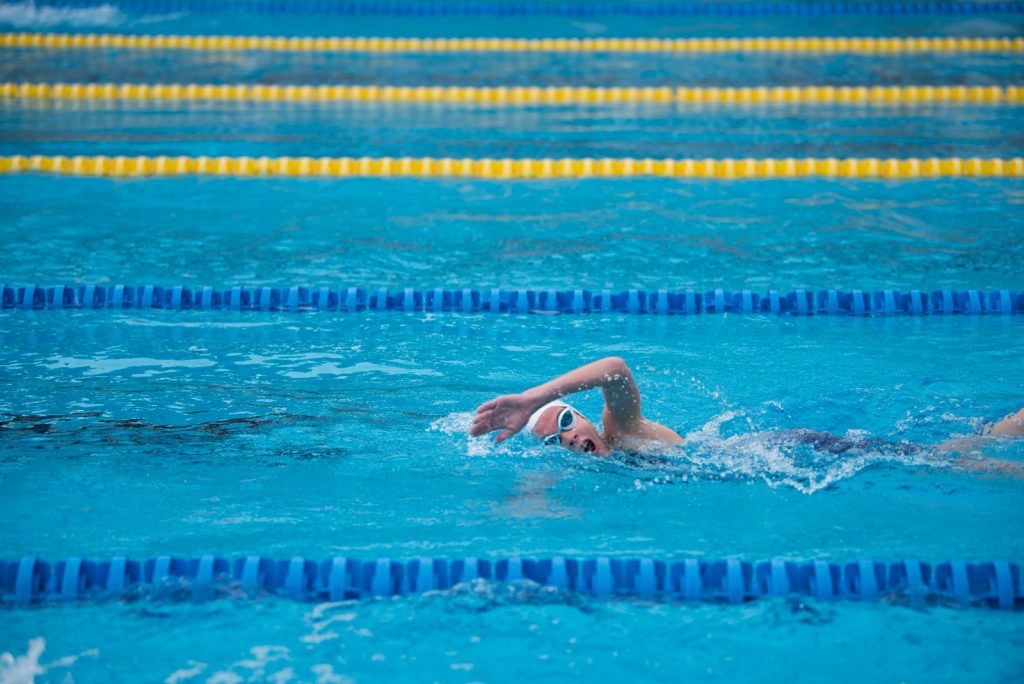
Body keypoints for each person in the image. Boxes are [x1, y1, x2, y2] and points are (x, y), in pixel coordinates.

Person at [469, 356, 1024, 458]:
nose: (565, 435)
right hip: (763, 468)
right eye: (553, 439)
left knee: (940, 458)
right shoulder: (603, 466)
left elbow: (616, 366)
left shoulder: (625, 430)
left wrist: (535, 399)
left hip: (789, 450)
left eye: (567, 420)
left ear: (586, 417)